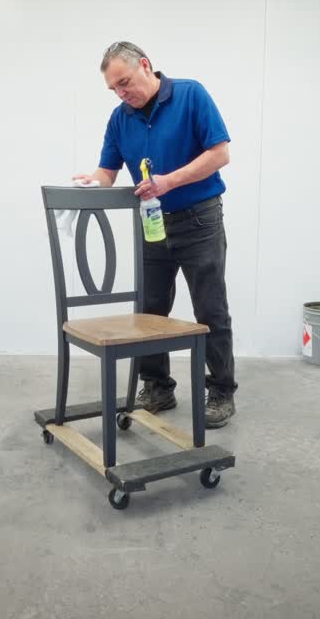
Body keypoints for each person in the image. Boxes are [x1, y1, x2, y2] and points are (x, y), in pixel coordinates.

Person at [74, 41, 237, 428]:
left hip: (199, 220)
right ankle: (158, 387)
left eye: (125, 82)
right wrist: (91, 182)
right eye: (114, 88)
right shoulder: (120, 119)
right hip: (152, 224)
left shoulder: (190, 95)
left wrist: (169, 182)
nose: (121, 93)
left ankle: (221, 391)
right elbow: (107, 171)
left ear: (146, 66)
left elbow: (220, 153)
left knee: (210, 308)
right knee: (149, 310)